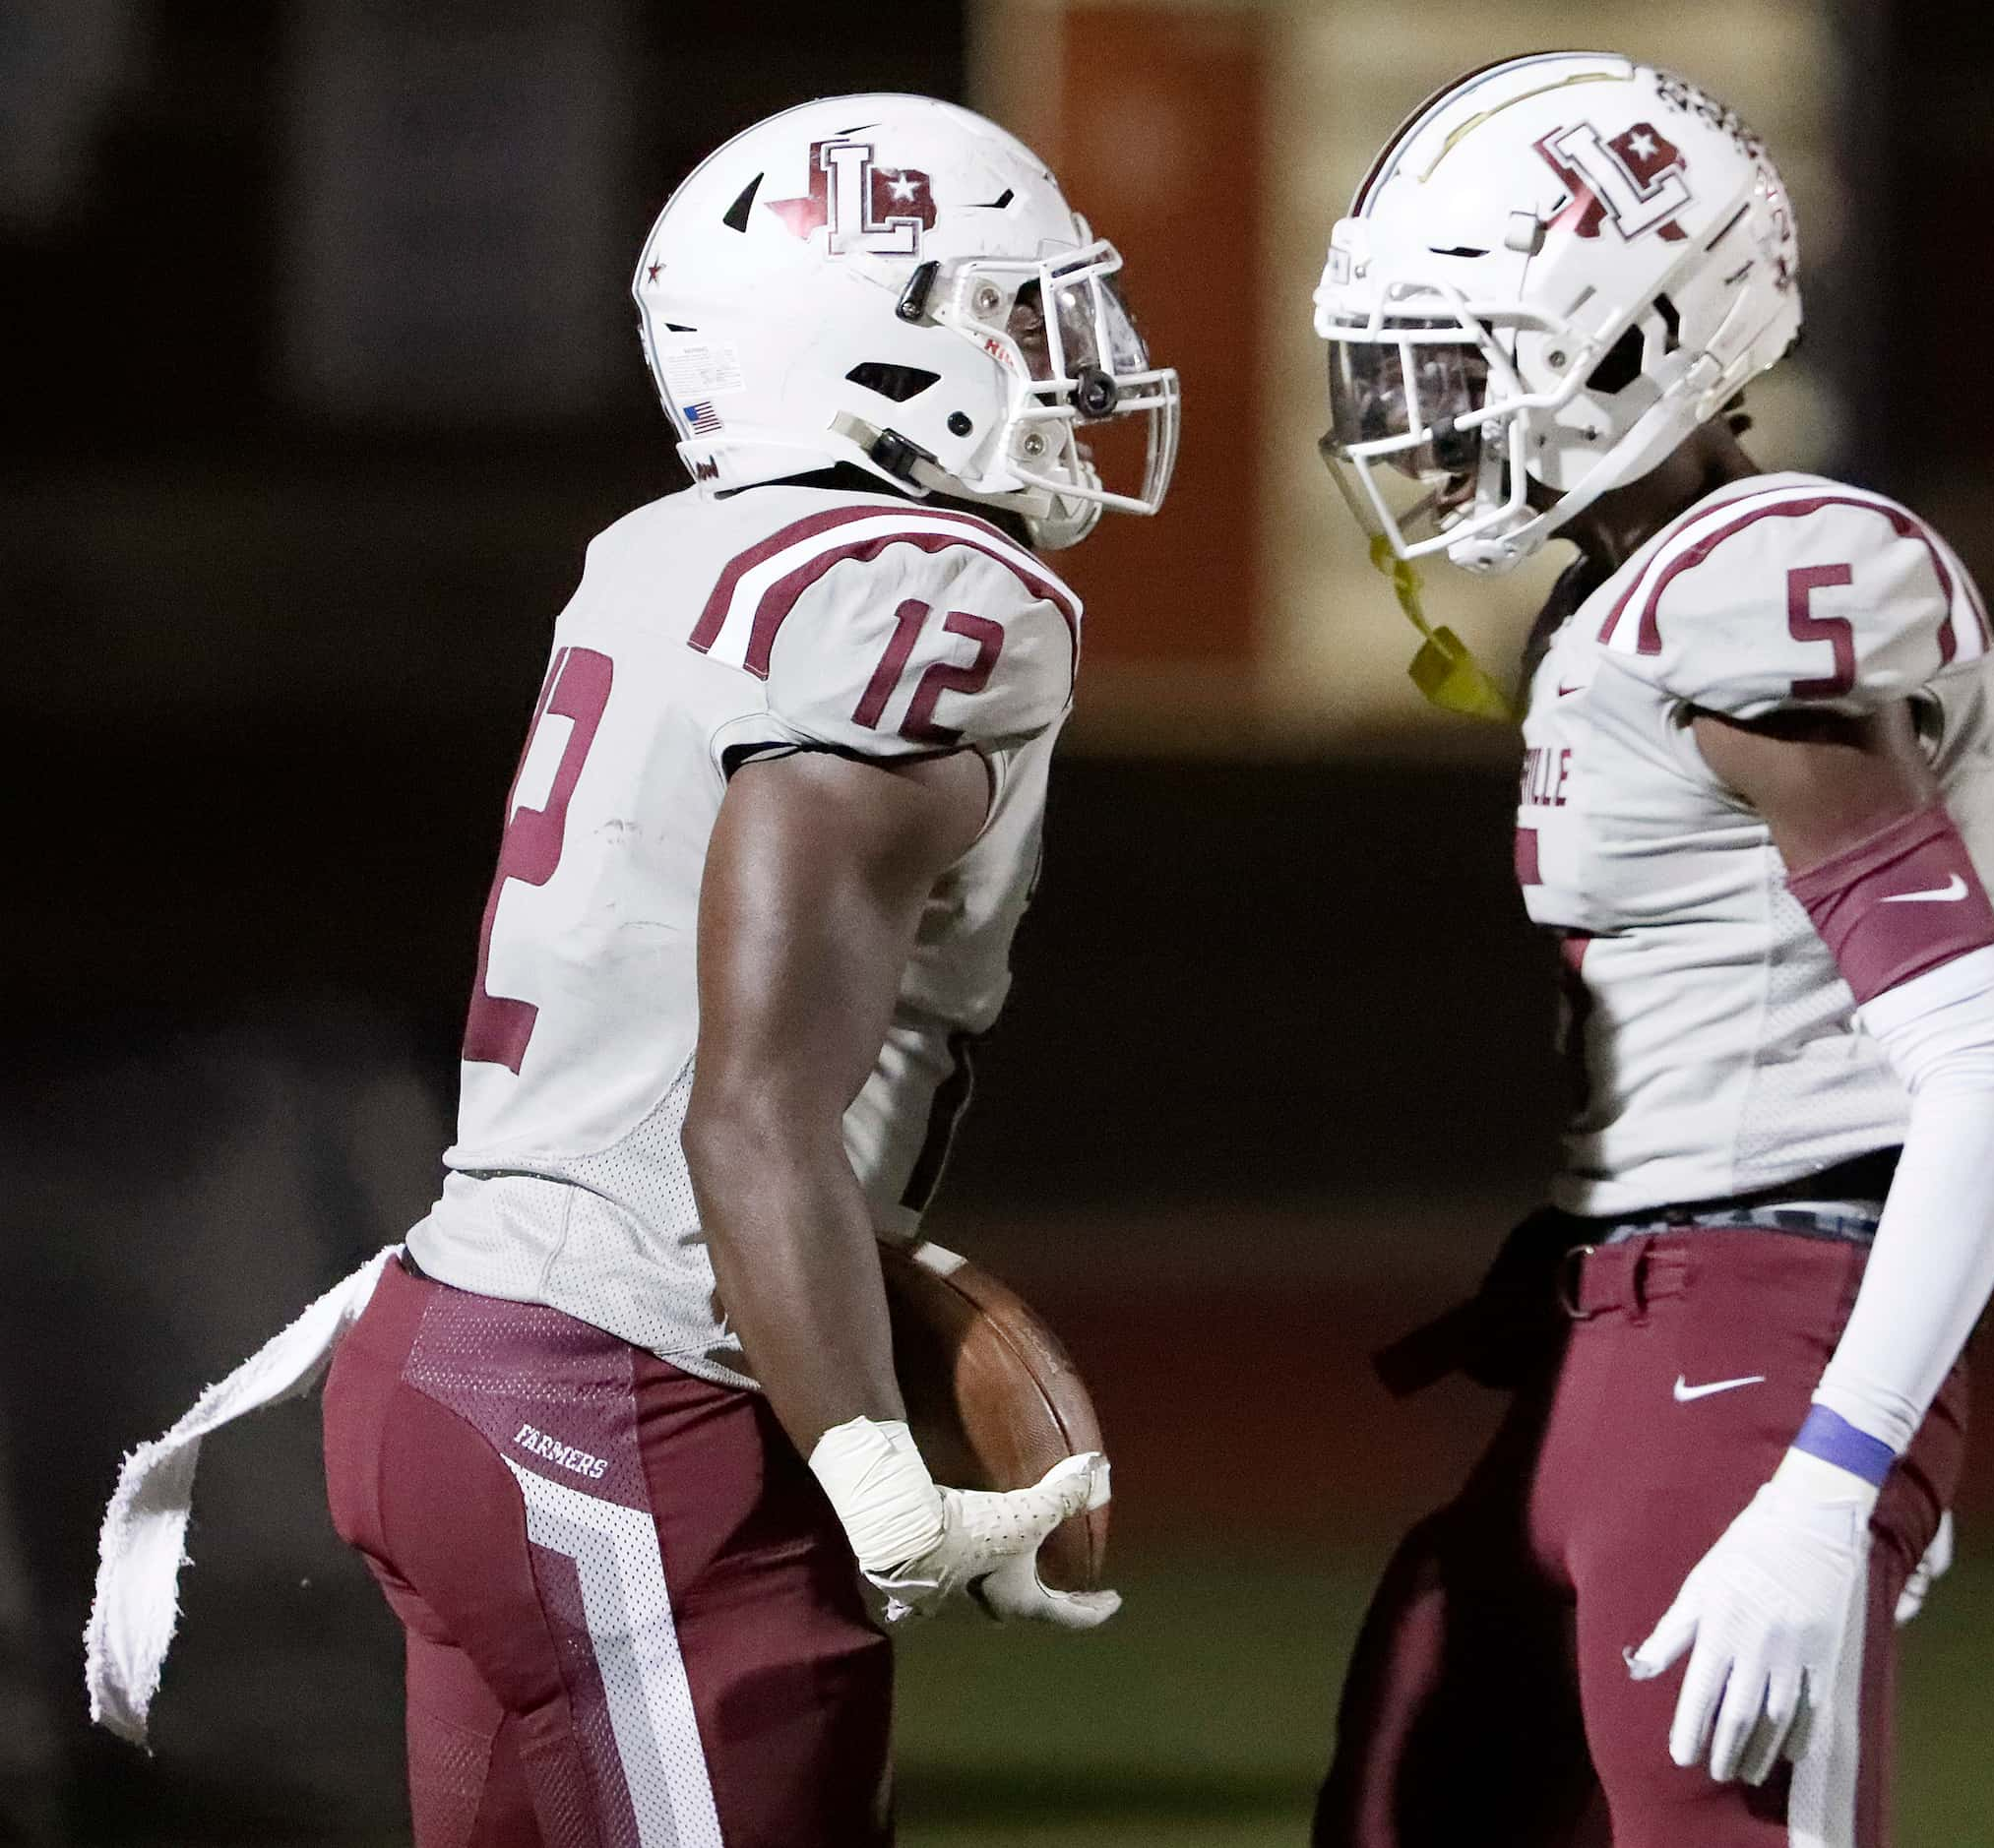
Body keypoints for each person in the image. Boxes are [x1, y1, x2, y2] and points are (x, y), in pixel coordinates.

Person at [86, 93, 1176, 1846]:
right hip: (623, 1402)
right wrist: (880, 1477)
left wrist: (857, 1268)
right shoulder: (930, 595)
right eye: (1013, 312)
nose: (1073, 362)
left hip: (457, 1356)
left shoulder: (663, 554)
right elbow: (742, 1114)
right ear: (872, 355)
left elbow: (670, 1056)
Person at [1309, 53, 1994, 1847]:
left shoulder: (1760, 579)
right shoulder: (1621, 596)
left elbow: (1986, 1073)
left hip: (1752, 1332)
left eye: (1460, 356)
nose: (1412, 417)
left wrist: (1837, 1468)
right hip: (1619, 1338)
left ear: (1637, 340)